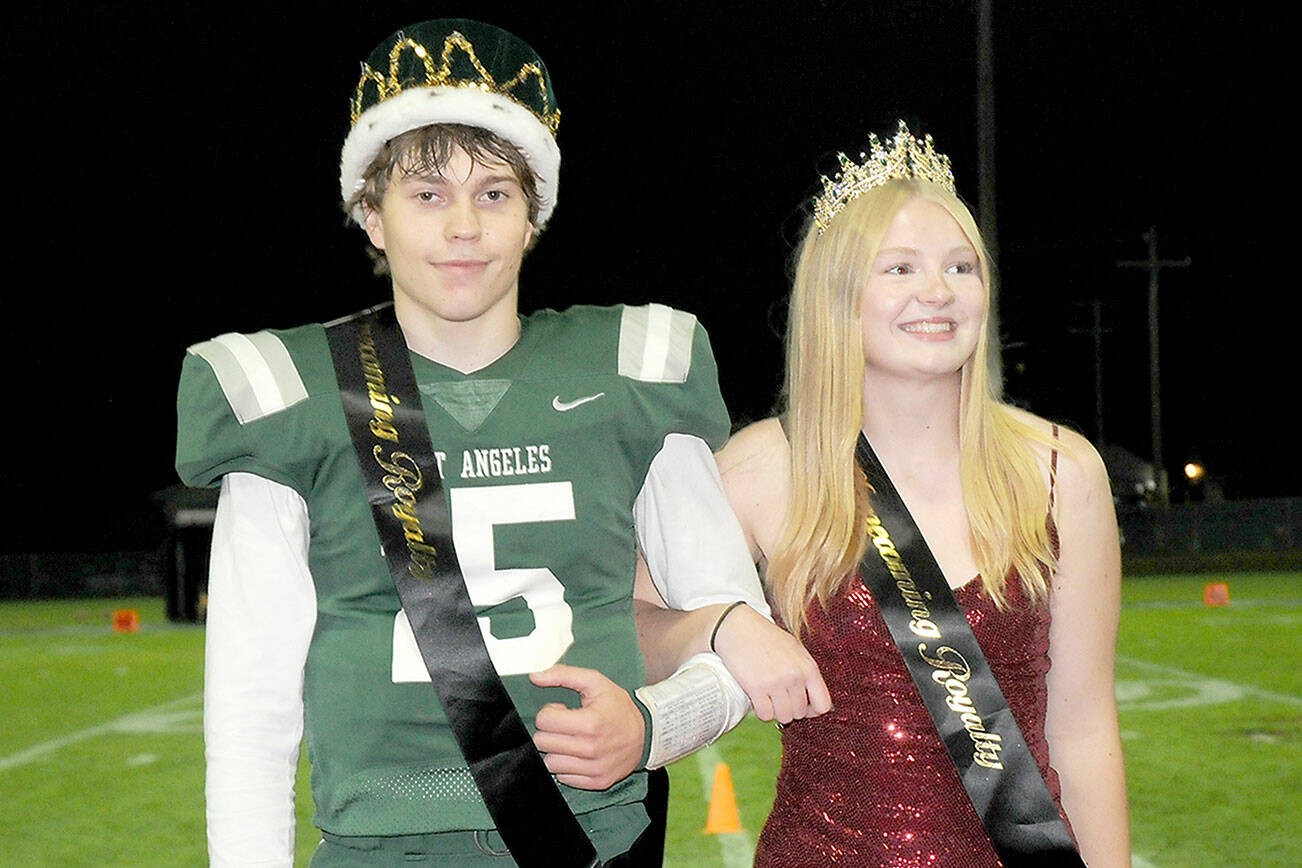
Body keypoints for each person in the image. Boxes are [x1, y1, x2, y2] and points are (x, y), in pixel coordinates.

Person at [175, 18, 826, 868]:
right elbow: (250, 702)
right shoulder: (294, 393)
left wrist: (651, 726)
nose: (463, 226)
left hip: (595, 839)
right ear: (372, 217)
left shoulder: (628, 372)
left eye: (494, 193)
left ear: (533, 217)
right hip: (381, 846)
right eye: (427, 193)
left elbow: (736, 641)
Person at [713, 123, 1131, 866]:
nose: (937, 292)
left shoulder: (1062, 471)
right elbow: (642, 630)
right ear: (837, 294)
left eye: (961, 267)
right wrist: (720, 625)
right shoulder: (760, 470)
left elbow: (1085, 724)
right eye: (899, 268)